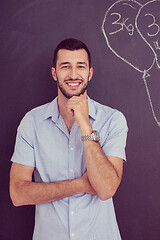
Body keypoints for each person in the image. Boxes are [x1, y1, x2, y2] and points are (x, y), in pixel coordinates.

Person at [10, 38, 128, 240]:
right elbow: (18, 194)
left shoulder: (113, 120)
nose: (73, 74)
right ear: (54, 73)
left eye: (80, 66)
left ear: (90, 73)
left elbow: (107, 188)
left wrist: (85, 125)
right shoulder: (32, 122)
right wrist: (81, 185)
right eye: (65, 66)